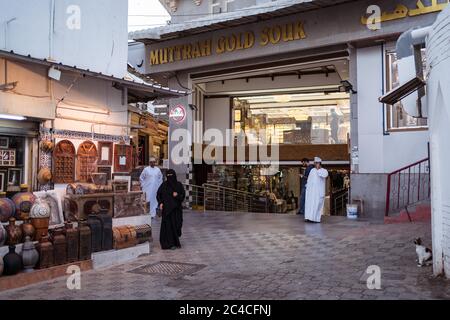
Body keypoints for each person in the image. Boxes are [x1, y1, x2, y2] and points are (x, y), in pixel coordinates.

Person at [157, 169, 185, 250]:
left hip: (176, 210)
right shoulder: (164, 185)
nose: (170, 177)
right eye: (168, 176)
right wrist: (161, 203)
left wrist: (177, 195)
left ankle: (175, 242)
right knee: (168, 227)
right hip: (167, 211)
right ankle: (169, 244)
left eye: (171, 175)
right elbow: (159, 194)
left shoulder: (179, 185)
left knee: (177, 225)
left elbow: (182, 196)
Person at [305, 157, 329, 223]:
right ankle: (309, 217)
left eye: (317, 163)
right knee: (310, 205)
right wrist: (307, 188)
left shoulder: (324, 170)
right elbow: (309, 180)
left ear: (319, 163)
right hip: (311, 192)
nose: (316, 165)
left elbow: (324, 175)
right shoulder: (312, 170)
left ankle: (315, 219)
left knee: (317, 206)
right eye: (315, 163)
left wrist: (318, 169)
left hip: (318, 193)